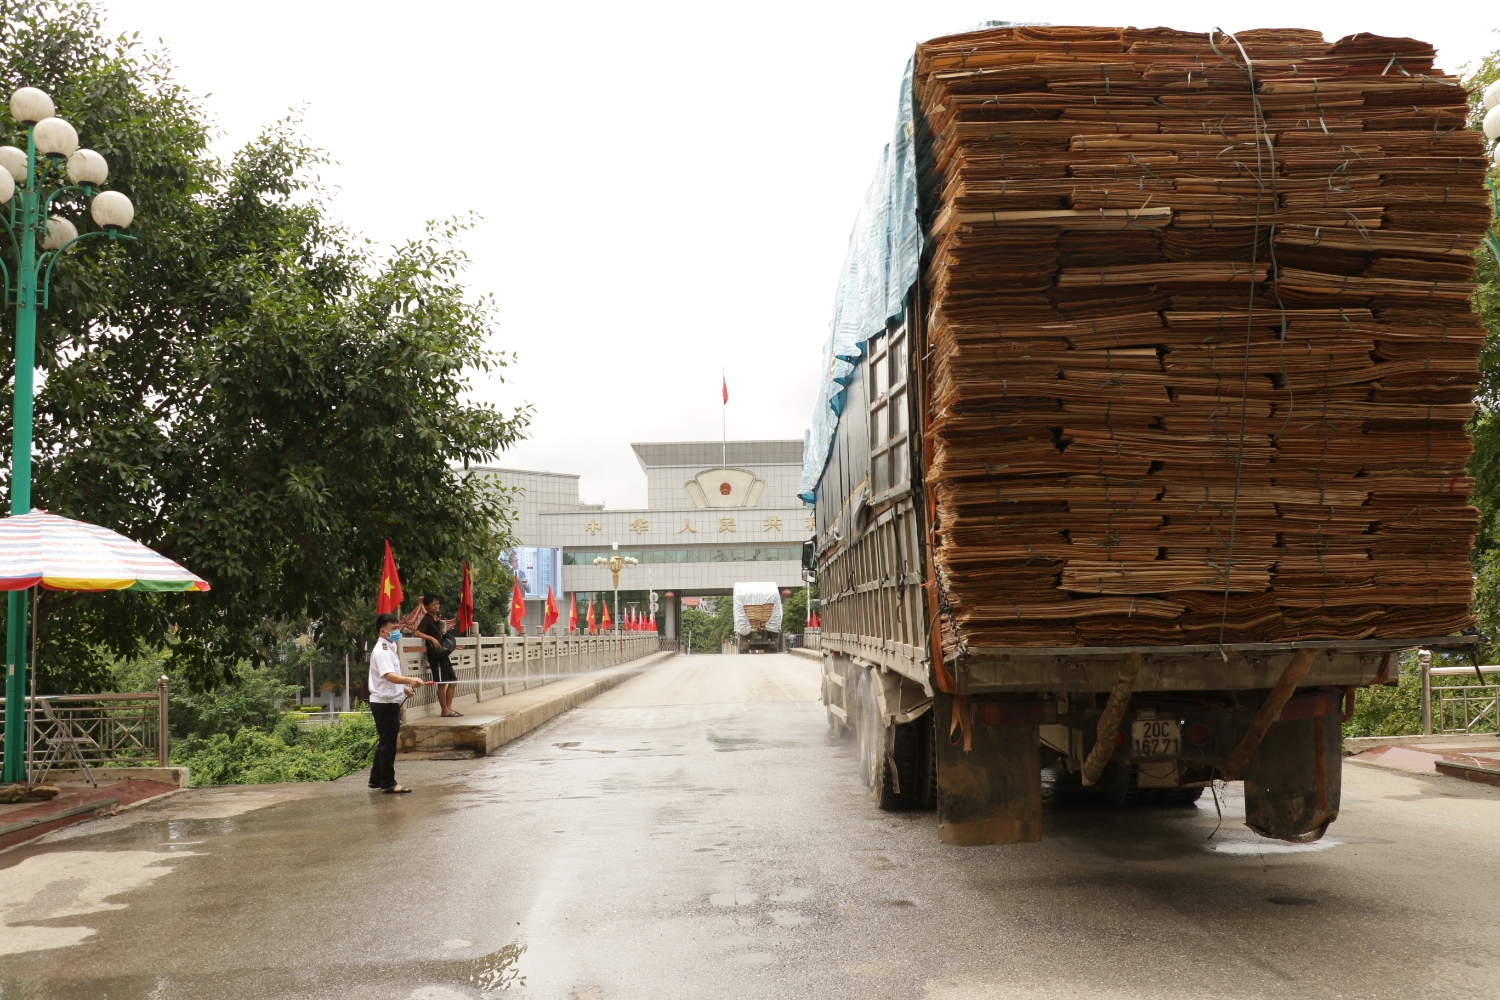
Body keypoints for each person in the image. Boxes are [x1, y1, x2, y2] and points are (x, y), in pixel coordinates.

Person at [369, 612, 424, 794]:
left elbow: (388, 679)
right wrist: (409, 680)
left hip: (387, 700)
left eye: (397, 628)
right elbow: (389, 676)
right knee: (388, 744)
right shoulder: (382, 651)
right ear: (383, 631)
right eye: (393, 629)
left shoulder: (389, 647)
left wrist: (403, 689)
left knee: (385, 741)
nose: (397, 632)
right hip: (384, 704)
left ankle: (376, 778)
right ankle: (388, 783)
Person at [414, 594, 460, 718]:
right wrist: (432, 639)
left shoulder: (436, 620)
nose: (436, 606)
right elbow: (417, 633)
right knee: (441, 683)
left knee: (453, 681)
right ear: (427, 606)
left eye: (437, 604)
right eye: (433, 604)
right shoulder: (427, 619)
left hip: (443, 655)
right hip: (436, 657)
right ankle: (444, 710)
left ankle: (449, 707)